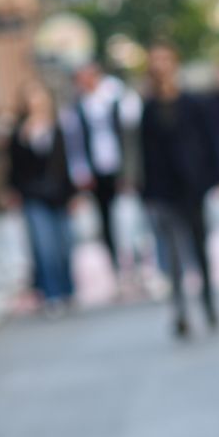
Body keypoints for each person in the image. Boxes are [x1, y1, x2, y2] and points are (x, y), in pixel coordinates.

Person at [139, 42, 219, 337]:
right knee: (172, 254)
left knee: (200, 251)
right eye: (155, 60)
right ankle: (180, 312)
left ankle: (209, 305)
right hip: (164, 192)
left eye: (165, 59)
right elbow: (145, 153)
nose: (160, 65)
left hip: (194, 188)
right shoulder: (148, 108)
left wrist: (218, 177)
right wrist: (146, 192)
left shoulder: (193, 102)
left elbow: (209, 140)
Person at [6, 82, 77, 312]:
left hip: (61, 195)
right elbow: (15, 168)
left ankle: (68, 290)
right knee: (44, 247)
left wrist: (75, 193)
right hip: (34, 196)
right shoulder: (20, 132)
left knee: (64, 246)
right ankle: (51, 293)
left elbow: (69, 163)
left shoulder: (60, 127)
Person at [67, 62, 140, 277]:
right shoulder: (78, 107)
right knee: (105, 219)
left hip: (120, 168)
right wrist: (81, 172)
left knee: (128, 217)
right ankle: (116, 266)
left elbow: (130, 131)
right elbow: (76, 143)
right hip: (97, 170)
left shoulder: (115, 98)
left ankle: (135, 261)